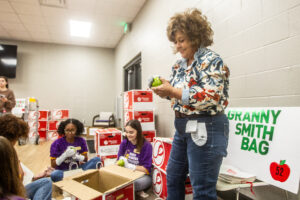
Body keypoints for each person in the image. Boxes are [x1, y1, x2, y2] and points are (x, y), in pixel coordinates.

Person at [151, 8, 230, 200]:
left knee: (202, 189)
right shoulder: (179, 65)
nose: (177, 46)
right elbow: (178, 97)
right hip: (183, 128)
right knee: (173, 175)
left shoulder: (211, 60)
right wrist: (166, 91)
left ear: (195, 37)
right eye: (175, 41)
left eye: (181, 40)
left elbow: (210, 98)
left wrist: (173, 91)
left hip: (206, 126)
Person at [0, 114, 52, 200]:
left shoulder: (9, 150)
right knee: (46, 183)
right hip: (9, 192)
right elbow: (17, 179)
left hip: (12, 190)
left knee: (46, 182)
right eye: (16, 139)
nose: (16, 142)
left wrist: (33, 178)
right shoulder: (6, 152)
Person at [117, 119, 152, 195]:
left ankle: (128, 189)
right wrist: (119, 163)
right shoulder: (124, 143)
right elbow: (118, 161)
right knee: (116, 180)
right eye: (126, 132)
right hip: (127, 174)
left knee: (134, 184)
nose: (128, 134)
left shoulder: (146, 146)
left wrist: (129, 166)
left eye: (131, 132)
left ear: (138, 132)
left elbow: (146, 169)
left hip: (142, 176)